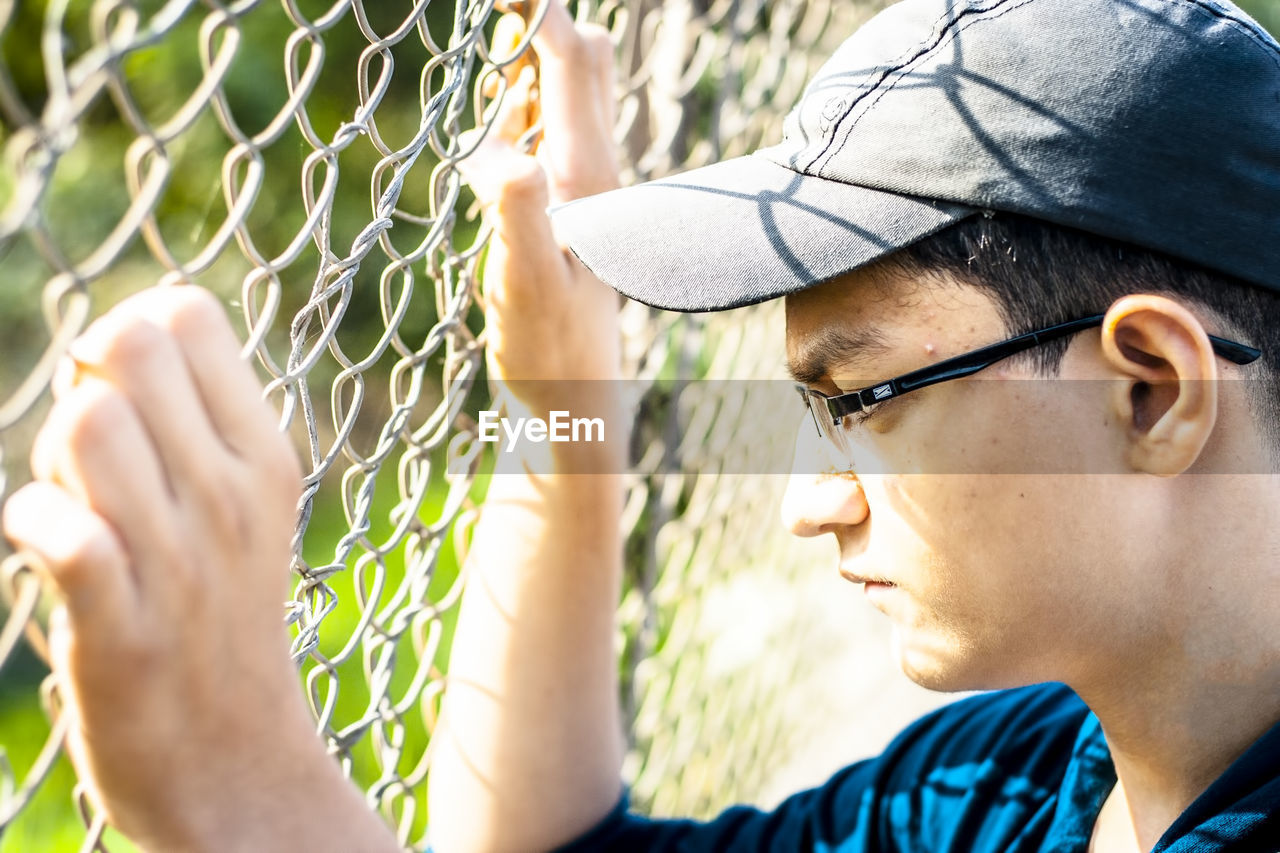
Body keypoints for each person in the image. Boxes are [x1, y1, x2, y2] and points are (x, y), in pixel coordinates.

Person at [4, 0, 1279, 851]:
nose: (805, 501)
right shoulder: (1014, 779)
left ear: (1148, 389)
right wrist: (565, 417)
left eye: (857, 402)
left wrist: (247, 802)